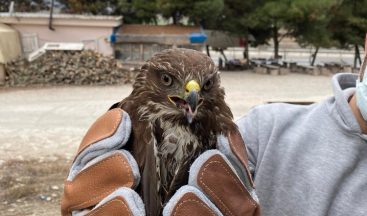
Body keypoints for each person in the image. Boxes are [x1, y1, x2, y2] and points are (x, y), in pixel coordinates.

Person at [61, 56, 367, 215]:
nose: (191, 94)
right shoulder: (265, 131)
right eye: (168, 80)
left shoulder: (216, 125)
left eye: (204, 86)